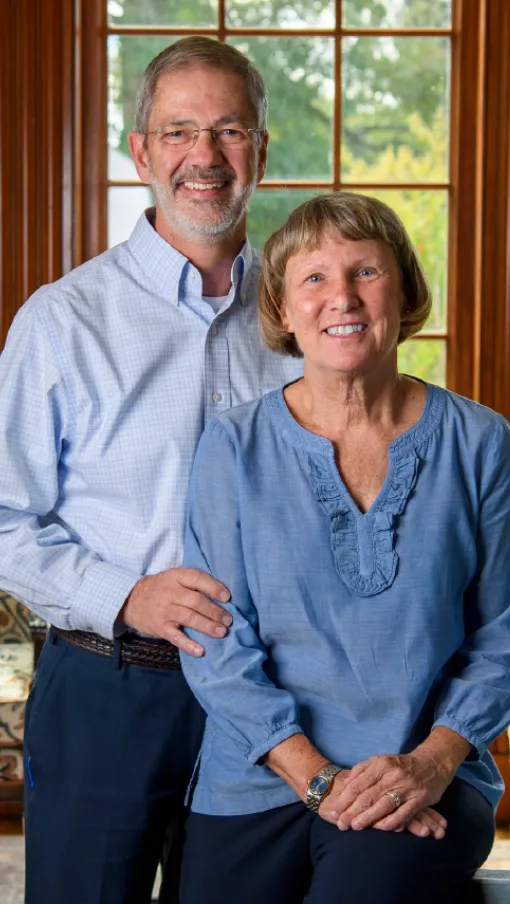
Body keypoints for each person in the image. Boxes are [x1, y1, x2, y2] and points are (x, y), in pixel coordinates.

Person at [0, 37, 302, 904]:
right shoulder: (62, 321)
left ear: (261, 153)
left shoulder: (301, 317)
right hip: (110, 687)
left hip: (267, 699)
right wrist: (127, 594)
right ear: (140, 152)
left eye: (230, 131)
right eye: (178, 132)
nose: (204, 158)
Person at [178, 192, 510, 904]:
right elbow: (212, 637)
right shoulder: (233, 446)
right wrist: (317, 778)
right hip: (257, 779)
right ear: (284, 308)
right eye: (315, 278)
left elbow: (504, 630)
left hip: (424, 780)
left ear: (404, 289)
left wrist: (433, 761)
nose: (343, 298)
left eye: (366, 271)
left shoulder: (480, 442)